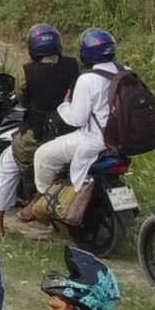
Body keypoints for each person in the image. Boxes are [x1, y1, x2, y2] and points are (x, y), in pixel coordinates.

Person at [24, 27, 121, 226]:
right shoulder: (125, 72)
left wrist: (65, 104)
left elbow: (77, 119)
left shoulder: (87, 80)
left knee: (43, 155)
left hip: (95, 140)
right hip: (122, 138)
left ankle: (41, 199)